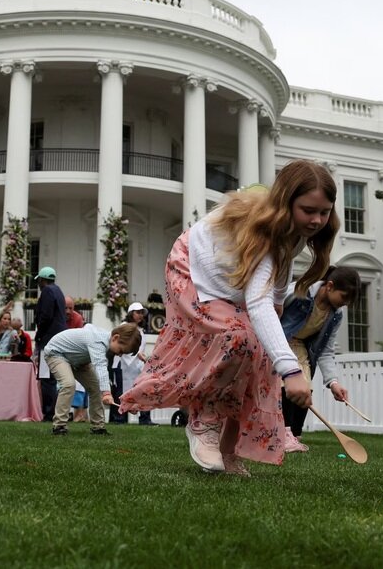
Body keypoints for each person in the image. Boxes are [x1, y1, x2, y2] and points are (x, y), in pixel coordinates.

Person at [120, 160, 339, 476]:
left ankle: (229, 449)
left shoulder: (294, 231)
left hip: (232, 284)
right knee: (241, 337)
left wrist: (278, 302)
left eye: (324, 211)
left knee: (260, 354)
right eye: (308, 210)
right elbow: (259, 296)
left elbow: (281, 269)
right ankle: (203, 423)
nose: (317, 220)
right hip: (191, 270)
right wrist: (291, 370)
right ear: (286, 203)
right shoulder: (268, 231)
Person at [279, 266, 360, 452]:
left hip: (299, 346)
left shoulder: (335, 315)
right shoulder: (297, 292)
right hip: (278, 341)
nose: (345, 303)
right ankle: (283, 433)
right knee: (285, 385)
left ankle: (294, 435)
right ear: (329, 286)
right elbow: (268, 311)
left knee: (305, 388)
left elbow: (326, 350)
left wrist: (333, 383)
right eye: (344, 297)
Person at [46, 322, 142, 436]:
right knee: (68, 384)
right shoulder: (98, 342)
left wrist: (104, 391)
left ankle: (98, 427)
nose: (120, 355)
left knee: (96, 387)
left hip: (78, 360)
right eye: (121, 351)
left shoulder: (107, 341)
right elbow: (101, 367)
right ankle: (59, 426)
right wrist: (107, 393)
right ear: (116, 337)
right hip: (56, 353)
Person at [111, 302, 156, 425]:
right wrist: (138, 354)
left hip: (137, 366)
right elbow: (121, 345)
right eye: (138, 312)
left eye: (142, 313)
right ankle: (119, 418)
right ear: (131, 313)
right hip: (122, 364)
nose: (140, 315)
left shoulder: (141, 330)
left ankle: (145, 418)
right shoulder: (123, 326)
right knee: (120, 392)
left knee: (143, 390)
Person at [33, 266, 67, 422]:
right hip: (58, 338)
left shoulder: (47, 291)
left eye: (39, 281)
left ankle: (48, 413)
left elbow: (45, 316)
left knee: (47, 378)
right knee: (54, 378)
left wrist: (38, 335)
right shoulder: (58, 290)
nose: (38, 285)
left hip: (48, 340)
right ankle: (54, 412)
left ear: (42, 279)